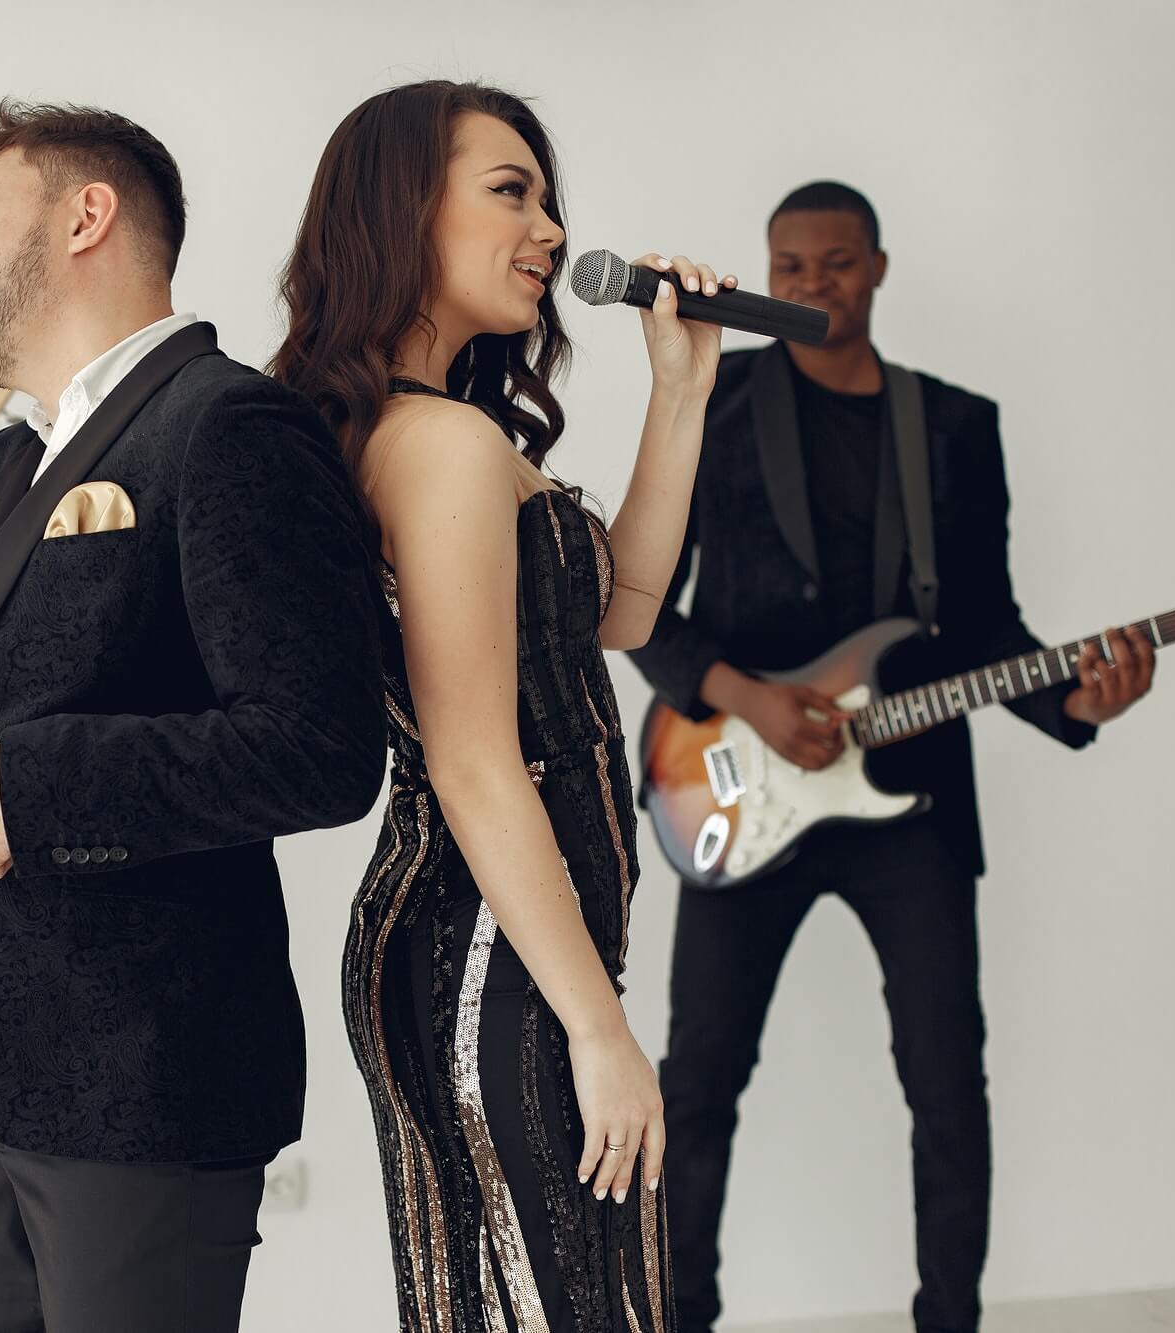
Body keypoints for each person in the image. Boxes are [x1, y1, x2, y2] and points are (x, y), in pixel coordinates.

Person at [0, 100, 386, 1332]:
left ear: (86, 216)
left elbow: (318, 750)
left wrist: (29, 783)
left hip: (148, 1073)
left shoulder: (228, 426)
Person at [627, 181, 1157, 1333]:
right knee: (697, 1082)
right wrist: (746, 701)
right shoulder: (710, 405)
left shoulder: (954, 425)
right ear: (767, 276)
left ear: (877, 267)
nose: (812, 285)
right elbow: (636, 607)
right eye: (790, 267)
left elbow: (983, 627)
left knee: (944, 1083)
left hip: (910, 801)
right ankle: (675, 1318)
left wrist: (1079, 698)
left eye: (835, 263)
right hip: (731, 782)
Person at [272, 79, 734, 1332]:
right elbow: (475, 761)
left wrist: (679, 389)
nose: (546, 229)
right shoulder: (439, 447)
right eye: (507, 191)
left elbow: (621, 611)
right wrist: (601, 1030)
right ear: (399, 211)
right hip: (490, 956)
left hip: (483, 943)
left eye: (545, 196)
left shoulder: (436, 430)